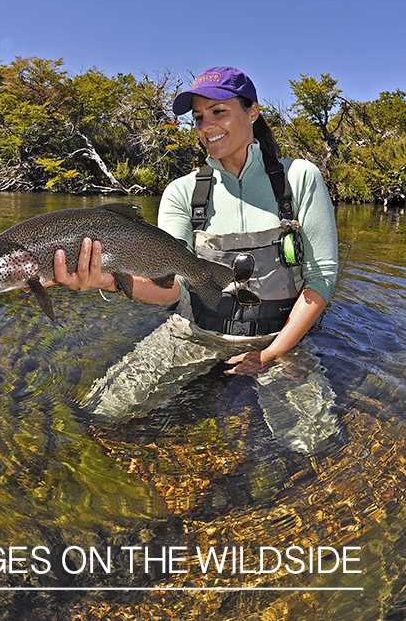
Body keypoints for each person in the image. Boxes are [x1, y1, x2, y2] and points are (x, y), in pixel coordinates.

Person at [50, 67, 339, 453]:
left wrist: (272, 353)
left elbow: (321, 278)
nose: (207, 126)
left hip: (280, 338)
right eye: (199, 118)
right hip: (192, 332)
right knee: (98, 413)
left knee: (316, 443)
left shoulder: (300, 177)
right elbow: (170, 291)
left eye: (218, 112)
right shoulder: (181, 192)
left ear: (252, 111)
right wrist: (105, 281)